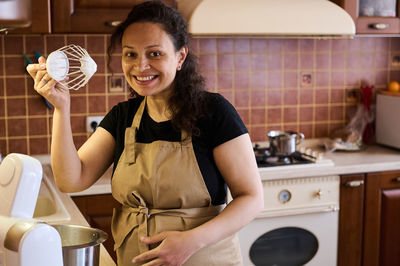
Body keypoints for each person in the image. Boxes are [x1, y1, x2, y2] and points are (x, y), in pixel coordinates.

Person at [27, 1, 263, 265]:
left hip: (202, 257)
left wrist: (190, 241)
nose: (140, 66)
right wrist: (61, 108)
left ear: (180, 57)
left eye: (154, 54)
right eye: (130, 54)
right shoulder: (123, 116)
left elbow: (251, 198)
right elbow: (71, 180)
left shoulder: (213, 111)